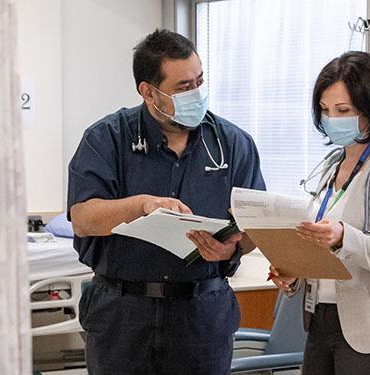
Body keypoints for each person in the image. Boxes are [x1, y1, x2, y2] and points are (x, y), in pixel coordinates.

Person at [67, 29, 266, 374]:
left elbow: (256, 228)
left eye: (199, 81)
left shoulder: (233, 145)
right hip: (122, 313)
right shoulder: (107, 138)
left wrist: (231, 250)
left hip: (201, 315)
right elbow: (84, 217)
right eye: (184, 87)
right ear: (149, 92)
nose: (196, 94)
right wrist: (142, 205)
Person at [268, 51, 370, 374]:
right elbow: (323, 248)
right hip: (321, 318)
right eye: (326, 111)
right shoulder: (331, 166)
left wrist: (344, 236)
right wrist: (295, 271)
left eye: (343, 110)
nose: (332, 119)